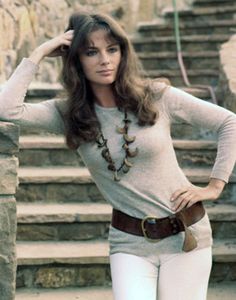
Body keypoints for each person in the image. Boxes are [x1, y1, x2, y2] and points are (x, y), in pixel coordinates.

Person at [0, 11, 236, 300]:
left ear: (123, 52)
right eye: (91, 52)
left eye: (112, 49)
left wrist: (215, 186)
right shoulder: (66, 113)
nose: (105, 60)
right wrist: (39, 52)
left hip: (186, 236)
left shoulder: (156, 96)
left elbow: (229, 122)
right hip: (129, 242)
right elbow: (7, 109)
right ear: (75, 60)